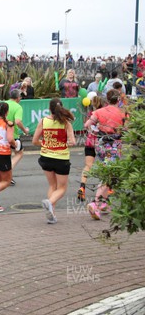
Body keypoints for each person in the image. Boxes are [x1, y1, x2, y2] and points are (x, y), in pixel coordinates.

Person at [83, 90, 126, 220]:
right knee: (108, 175)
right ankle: (95, 203)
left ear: (107, 100)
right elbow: (127, 129)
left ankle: (104, 204)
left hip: (100, 144)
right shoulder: (123, 113)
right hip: (114, 145)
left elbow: (87, 125)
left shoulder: (98, 112)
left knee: (107, 171)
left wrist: (96, 129)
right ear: (118, 100)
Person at [32, 98, 76, 224]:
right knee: (61, 188)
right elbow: (72, 142)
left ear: (49, 109)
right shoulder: (66, 123)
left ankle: (51, 214)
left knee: (52, 185)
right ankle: (49, 203)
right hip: (61, 158)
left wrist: (47, 143)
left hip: (46, 157)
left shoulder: (43, 121)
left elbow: (34, 141)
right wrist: (61, 143)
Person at [78, 95, 104, 202]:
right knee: (105, 165)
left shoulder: (90, 115)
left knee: (88, 166)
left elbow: (86, 126)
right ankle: (106, 189)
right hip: (101, 143)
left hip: (90, 141)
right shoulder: (103, 114)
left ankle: (82, 187)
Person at [6, 89, 30, 185]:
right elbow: (18, 121)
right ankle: (7, 174)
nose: (20, 98)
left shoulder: (4, 103)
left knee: (7, 155)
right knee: (19, 153)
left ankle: (5, 174)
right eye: (20, 97)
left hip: (2, 134)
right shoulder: (18, 107)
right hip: (13, 134)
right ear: (17, 98)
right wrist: (25, 130)